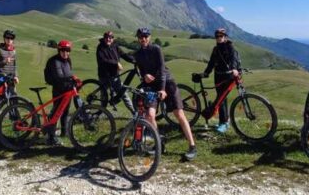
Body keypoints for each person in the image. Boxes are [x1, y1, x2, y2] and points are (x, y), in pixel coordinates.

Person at [133, 27, 197, 161]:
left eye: (145, 36)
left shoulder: (156, 49)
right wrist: (145, 77)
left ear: (149, 37)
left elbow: (162, 69)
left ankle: (192, 146)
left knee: (179, 114)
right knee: (150, 115)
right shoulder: (138, 54)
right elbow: (141, 72)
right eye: (140, 37)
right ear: (138, 38)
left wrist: (162, 89)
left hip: (167, 82)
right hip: (151, 85)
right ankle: (159, 143)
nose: (143, 39)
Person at [202, 27, 241, 134]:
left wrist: (234, 69)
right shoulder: (216, 49)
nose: (219, 38)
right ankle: (223, 121)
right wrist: (205, 73)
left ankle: (224, 123)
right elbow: (211, 63)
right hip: (218, 77)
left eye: (221, 36)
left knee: (221, 99)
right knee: (221, 99)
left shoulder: (230, 47)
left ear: (225, 37)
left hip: (228, 78)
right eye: (217, 36)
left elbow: (234, 59)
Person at [43, 40, 81, 146]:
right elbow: (59, 76)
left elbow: (69, 73)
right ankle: (51, 138)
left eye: (68, 50)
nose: (65, 52)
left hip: (67, 90)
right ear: (59, 50)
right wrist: (72, 78)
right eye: (63, 50)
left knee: (65, 112)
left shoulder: (68, 60)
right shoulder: (54, 61)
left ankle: (64, 132)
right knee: (56, 113)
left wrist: (73, 81)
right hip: (59, 90)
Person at [96, 30, 135, 112]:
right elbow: (102, 60)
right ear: (104, 38)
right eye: (106, 37)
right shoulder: (100, 47)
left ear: (113, 39)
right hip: (104, 76)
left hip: (114, 75)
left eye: (110, 37)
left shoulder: (115, 46)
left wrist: (133, 60)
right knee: (104, 97)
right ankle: (99, 113)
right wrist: (116, 63)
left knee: (123, 94)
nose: (108, 39)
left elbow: (123, 55)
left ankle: (134, 112)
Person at [0, 29, 19, 96]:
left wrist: (16, 76)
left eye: (11, 38)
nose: (9, 39)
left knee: (14, 102)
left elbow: (14, 66)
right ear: (4, 38)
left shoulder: (13, 51)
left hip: (10, 80)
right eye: (7, 37)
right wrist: (4, 62)